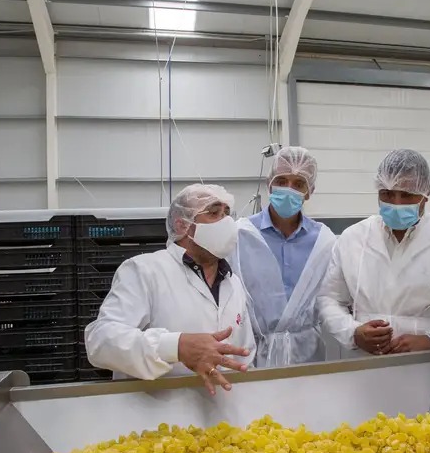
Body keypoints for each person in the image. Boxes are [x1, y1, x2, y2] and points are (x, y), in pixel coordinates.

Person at [316, 149, 430, 358]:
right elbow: (330, 299)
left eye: (406, 195)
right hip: (363, 366)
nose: (396, 203)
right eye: (387, 194)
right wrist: (353, 332)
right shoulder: (352, 238)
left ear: (427, 193)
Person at [85, 184, 256, 394]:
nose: (226, 222)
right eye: (214, 213)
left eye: (227, 213)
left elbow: (245, 356)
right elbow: (101, 342)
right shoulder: (144, 271)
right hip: (159, 417)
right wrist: (175, 346)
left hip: (225, 418)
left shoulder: (233, 282)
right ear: (183, 224)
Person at [230, 147, 337, 367]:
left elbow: (333, 298)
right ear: (270, 184)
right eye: (282, 180)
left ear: (309, 191)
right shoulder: (241, 235)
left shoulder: (324, 241)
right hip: (252, 354)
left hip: (308, 355)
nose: (289, 188)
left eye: (298, 183)